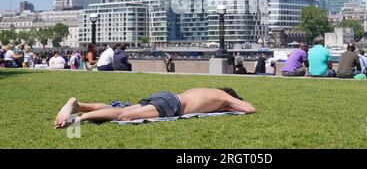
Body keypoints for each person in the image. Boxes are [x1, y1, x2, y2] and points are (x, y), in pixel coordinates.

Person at [54, 88, 256, 129]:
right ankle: (79, 119)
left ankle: (78, 105)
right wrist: (230, 102)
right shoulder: (223, 96)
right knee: (124, 116)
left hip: (166, 96)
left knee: (126, 109)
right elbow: (250, 109)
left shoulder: (204, 90)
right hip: (171, 105)